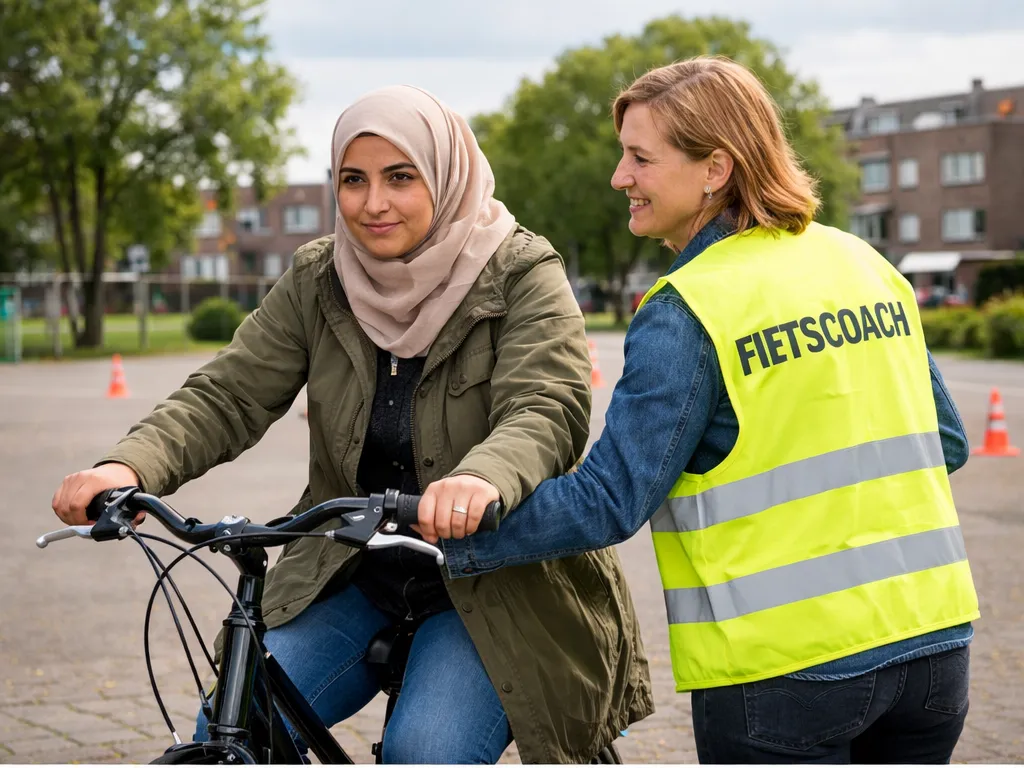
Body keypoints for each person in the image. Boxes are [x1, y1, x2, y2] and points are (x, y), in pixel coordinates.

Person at [50, 85, 653, 764]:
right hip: (352, 570)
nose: (373, 203)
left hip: (492, 578)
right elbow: (229, 393)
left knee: (424, 753)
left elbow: (545, 406)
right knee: (237, 719)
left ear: (446, 175)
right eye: (353, 180)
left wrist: (483, 478)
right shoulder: (320, 277)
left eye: (400, 177)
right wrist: (128, 465)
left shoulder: (521, 273)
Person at [430, 57, 981, 764]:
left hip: (785, 672)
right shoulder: (863, 263)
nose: (619, 178)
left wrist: (448, 534)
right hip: (934, 648)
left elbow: (610, 500)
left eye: (640, 158)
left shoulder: (689, 306)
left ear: (715, 168)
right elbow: (946, 441)